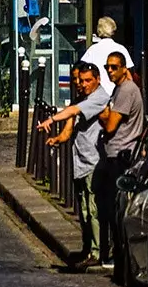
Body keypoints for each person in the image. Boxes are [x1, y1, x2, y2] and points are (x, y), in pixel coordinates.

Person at [37, 61, 110, 268]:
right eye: (79, 80)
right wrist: (58, 139)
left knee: (94, 210)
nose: (82, 84)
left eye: (87, 80)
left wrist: (51, 120)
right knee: (85, 211)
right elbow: (70, 126)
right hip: (81, 161)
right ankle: (88, 248)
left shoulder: (99, 98)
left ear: (97, 80)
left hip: (94, 162)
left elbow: (71, 112)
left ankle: (97, 252)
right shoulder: (84, 98)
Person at [94, 49, 145, 278]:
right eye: (107, 67)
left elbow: (111, 125)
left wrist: (102, 113)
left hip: (122, 155)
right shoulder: (119, 89)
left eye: (114, 67)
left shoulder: (126, 90)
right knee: (110, 206)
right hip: (116, 153)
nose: (110, 71)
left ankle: (118, 255)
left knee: (117, 208)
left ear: (124, 68)